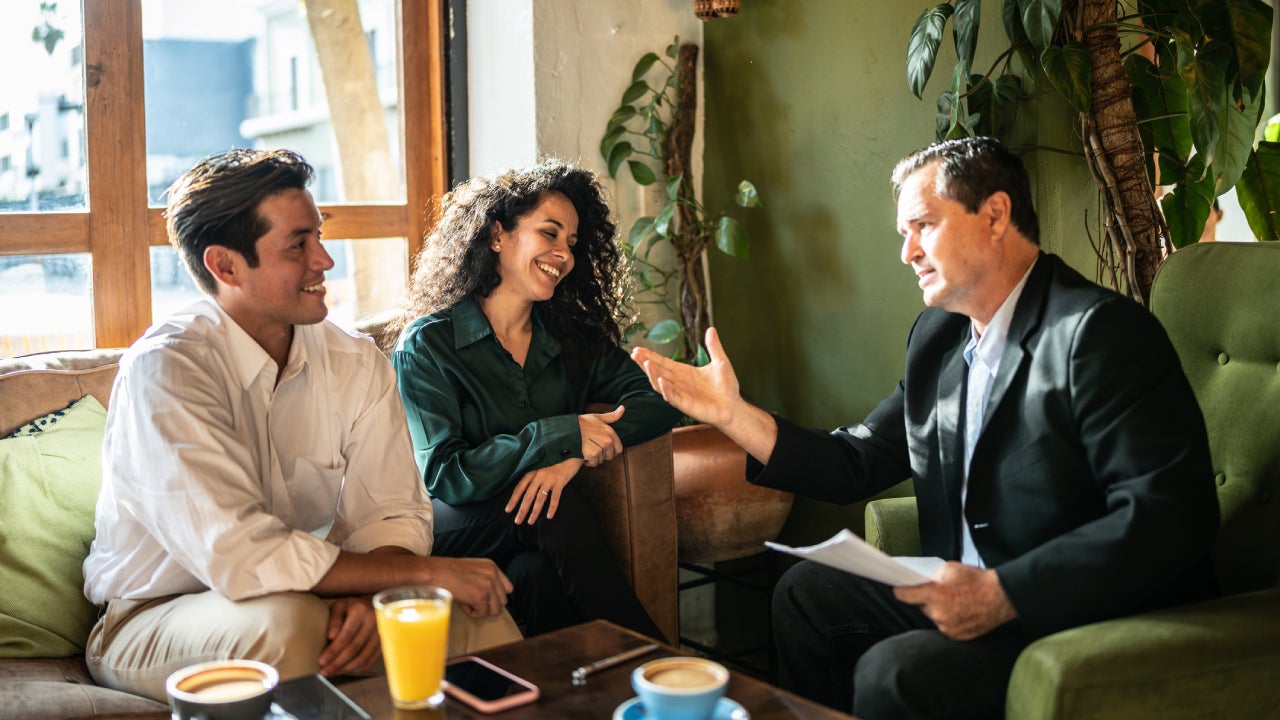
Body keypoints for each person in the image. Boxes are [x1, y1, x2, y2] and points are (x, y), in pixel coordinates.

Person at [631, 137, 1220, 718]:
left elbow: (1170, 516)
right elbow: (855, 461)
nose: (907, 251)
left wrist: (1005, 592)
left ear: (995, 215)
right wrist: (732, 414)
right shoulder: (938, 339)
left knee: (893, 674)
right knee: (807, 595)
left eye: (922, 225)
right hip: (965, 594)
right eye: (902, 234)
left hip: (1067, 608)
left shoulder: (1096, 333)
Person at [82, 148, 521, 702]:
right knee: (291, 628)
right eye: (298, 245)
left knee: (475, 618)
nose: (324, 259)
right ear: (225, 266)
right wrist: (435, 571)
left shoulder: (357, 362)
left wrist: (376, 599)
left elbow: (391, 514)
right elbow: (240, 552)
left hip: (301, 593)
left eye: (319, 235)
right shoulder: (167, 369)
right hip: (150, 618)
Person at [386, 159, 681, 640]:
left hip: (533, 531)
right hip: (450, 523)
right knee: (554, 509)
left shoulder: (571, 337)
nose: (563, 253)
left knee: (535, 574)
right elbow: (446, 475)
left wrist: (571, 459)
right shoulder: (428, 344)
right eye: (549, 233)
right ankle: (656, 661)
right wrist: (561, 434)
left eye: (572, 243)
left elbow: (658, 399)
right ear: (498, 235)